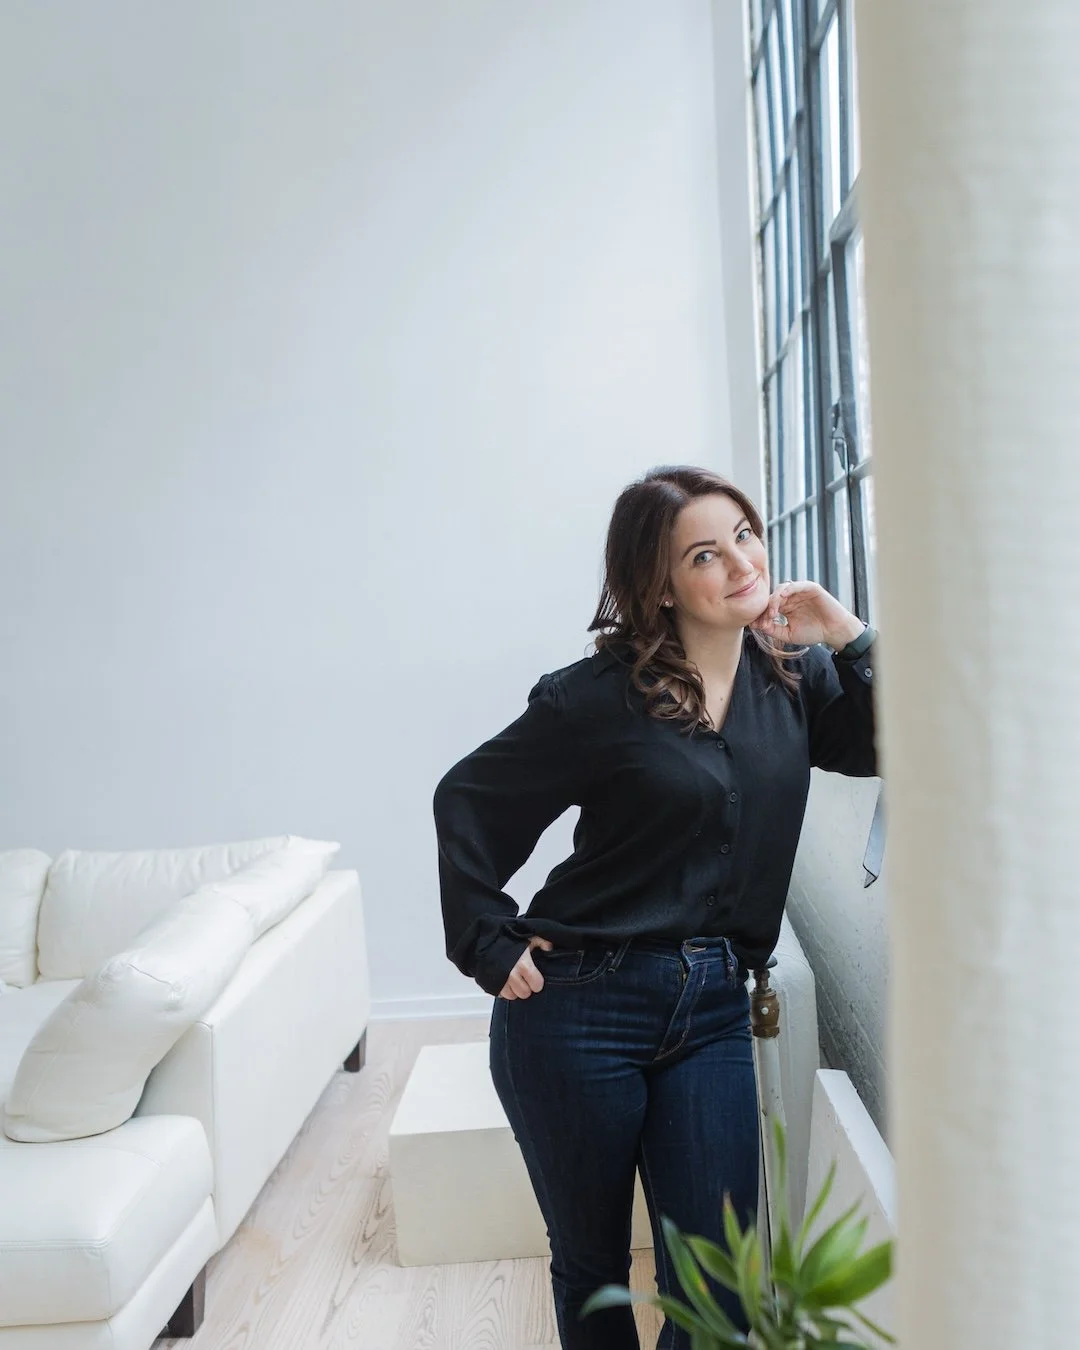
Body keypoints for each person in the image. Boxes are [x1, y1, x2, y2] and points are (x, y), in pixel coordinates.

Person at [433, 466, 877, 1350]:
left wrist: (851, 633)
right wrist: (484, 936)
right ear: (661, 584)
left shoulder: (793, 679)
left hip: (714, 1006)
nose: (742, 562)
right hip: (578, 1006)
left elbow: (892, 740)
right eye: (705, 554)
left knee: (718, 1283)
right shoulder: (596, 698)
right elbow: (470, 798)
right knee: (593, 1269)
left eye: (745, 534)